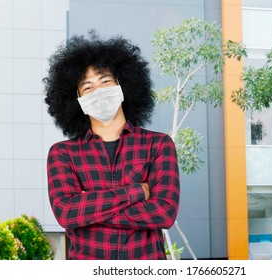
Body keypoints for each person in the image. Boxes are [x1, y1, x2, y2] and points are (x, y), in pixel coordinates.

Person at [43, 33, 180, 260]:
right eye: (87, 87)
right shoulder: (62, 154)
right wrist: (139, 191)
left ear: (123, 85)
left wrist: (89, 211)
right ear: (76, 99)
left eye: (105, 81)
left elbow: (164, 213)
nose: (98, 91)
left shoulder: (158, 144)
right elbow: (67, 213)